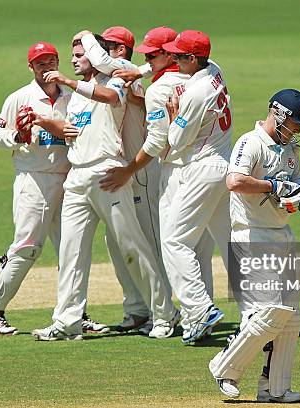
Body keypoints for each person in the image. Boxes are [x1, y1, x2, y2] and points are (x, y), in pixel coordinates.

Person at [30, 34, 179, 341]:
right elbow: (79, 126)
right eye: (72, 55)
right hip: (77, 176)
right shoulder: (77, 96)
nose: (73, 60)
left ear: (96, 55)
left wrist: (69, 82)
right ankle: (67, 321)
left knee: (131, 247)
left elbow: (110, 100)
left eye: (80, 54)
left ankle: (165, 314)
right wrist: (52, 124)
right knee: (71, 253)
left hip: (106, 172)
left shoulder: (115, 79)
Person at [101, 26, 218, 340]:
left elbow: (158, 143)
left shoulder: (159, 90)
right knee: (199, 249)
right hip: (213, 168)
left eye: (153, 55)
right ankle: (202, 313)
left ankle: (183, 313)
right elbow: (158, 74)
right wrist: (141, 72)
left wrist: (128, 170)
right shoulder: (208, 73)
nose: (147, 60)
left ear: (174, 55)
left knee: (169, 245)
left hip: (175, 171)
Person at [208, 89, 300, 402]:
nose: (295, 130)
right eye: (293, 123)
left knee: (290, 317)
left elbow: (296, 183)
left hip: (281, 234)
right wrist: (273, 186)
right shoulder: (250, 143)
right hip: (251, 236)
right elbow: (234, 182)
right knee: (265, 313)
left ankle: (275, 388)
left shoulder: (290, 149)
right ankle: (224, 367)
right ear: (277, 113)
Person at [75, 27, 170, 335]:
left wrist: (85, 34)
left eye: (109, 44)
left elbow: (100, 60)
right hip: (122, 168)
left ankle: (166, 313)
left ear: (120, 50)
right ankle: (137, 309)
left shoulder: (124, 70)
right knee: (117, 243)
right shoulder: (121, 74)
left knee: (148, 242)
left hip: (140, 169)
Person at [0, 42, 72, 336]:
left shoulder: (72, 94)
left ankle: (73, 313)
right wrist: (18, 135)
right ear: (31, 67)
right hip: (35, 178)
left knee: (71, 249)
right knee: (27, 247)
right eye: (40, 63)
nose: (47, 67)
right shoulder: (20, 97)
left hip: (69, 177)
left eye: (51, 61)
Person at [148, 30, 232, 344]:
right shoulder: (216, 70)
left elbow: (175, 141)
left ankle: (199, 308)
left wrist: (174, 115)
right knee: (228, 241)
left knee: (174, 240)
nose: (174, 60)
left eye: (179, 56)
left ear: (192, 59)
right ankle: (258, 307)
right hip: (223, 167)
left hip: (201, 170)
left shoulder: (195, 95)